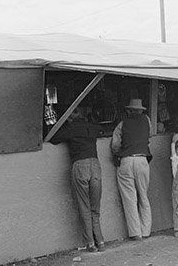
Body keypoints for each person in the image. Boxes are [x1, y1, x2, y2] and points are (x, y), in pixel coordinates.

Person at [49, 107, 105, 252]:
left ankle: (91, 243)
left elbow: (53, 138)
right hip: (95, 164)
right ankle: (101, 241)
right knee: (95, 208)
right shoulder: (92, 127)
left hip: (80, 165)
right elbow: (102, 130)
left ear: (71, 116)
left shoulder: (70, 128)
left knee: (84, 206)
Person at [110, 97, 153, 239]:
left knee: (130, 198)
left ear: (128, 110)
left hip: (127, 160)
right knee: (143, 196)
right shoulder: (147, 121)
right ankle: (146, 231)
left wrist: (120, 152)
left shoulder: (122, 124)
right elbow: (150, 135)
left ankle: (135, 233)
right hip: (142, 160)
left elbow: (115, 145)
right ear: (141, 110)